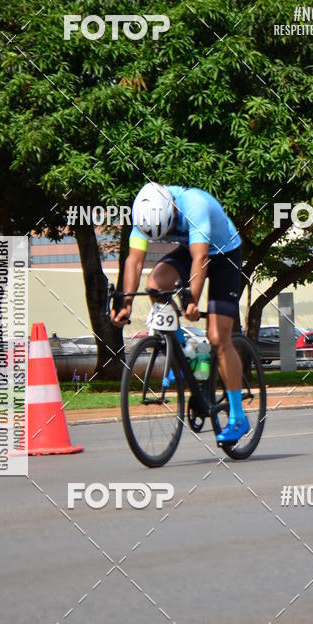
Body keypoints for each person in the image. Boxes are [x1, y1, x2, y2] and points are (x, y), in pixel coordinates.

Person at [111, 182, 249, 443]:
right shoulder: (144, 211)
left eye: (171, 227)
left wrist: (192, 301)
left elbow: (202, 258)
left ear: (173, 211)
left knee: (219, 338)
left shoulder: (194, 205)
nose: (169, 232)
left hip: (223, 255)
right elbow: (134, 260)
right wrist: (126, 302)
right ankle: (187, 355)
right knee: (155, 285)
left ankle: (239, 417)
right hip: (190, 251)